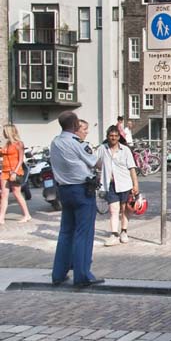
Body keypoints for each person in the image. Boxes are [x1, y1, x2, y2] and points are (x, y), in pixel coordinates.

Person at [50, 111, 104, 287]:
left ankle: (58, 273)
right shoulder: (77, 143)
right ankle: (82, 275)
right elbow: (96, 163)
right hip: (81, 190)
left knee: (66, 232)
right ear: (74, 125)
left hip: (64, 190)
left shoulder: (55, 142)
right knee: (84, 233)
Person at [97, 126, 139, 246]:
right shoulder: (102, 149)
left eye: (116, 136)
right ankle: (114, 234)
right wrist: (103, 171)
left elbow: (132, 168)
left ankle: (124, 231)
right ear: (107, 136)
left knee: (125, 209)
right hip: (110, 185)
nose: (113, 138)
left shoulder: (125, 150)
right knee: (113, 210)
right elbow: (94, 162)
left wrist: (135, 184)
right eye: (111, 136)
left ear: (119, 137)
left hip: (125, 184)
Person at [0, 124, 32, 224]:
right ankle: (1, 218)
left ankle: (27, 215)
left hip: (15, 171)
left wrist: (14, 172)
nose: (3, 133)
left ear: (9, 132)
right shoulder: (7, 144)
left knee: (16, 193)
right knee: (3, 194)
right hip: (5, 171)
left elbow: (20, 160)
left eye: (4, 131)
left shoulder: (19, 144)